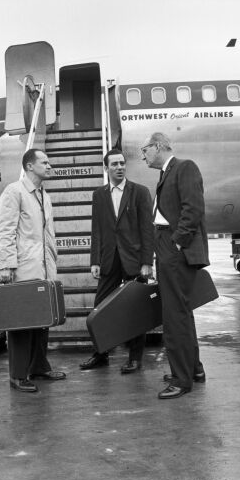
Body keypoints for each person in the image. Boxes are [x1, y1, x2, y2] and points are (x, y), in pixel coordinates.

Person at [142, 132, 209, 399]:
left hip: (175, 249)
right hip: (167, 247)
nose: (143, 155)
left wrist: (177, 243)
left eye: (144, 149)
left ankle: (181, 380)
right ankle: (193, 370)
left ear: (158, 146)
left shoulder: (184, 167)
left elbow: (193, 208)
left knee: (173, 316)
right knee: (182, 312)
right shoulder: (166, 173)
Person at [0, 148, 66, 392]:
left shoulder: (43, 194)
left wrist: (53, 259)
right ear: (30, 166)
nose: (50, 165)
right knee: (22, 322)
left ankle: (38, 367)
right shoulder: (14, 192)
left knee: (41, 321)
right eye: (44, 162)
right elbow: (4, 230)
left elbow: (47, 234)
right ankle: (18, 374)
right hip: (23, 267)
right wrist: (5, 265)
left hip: (43, 267)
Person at [80, 148, 154, 373]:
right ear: (107, 168)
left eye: (122, 163)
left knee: (136, 309)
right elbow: (97, 229)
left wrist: (146, 262)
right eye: (114, 164)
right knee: (100, 308)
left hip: (134, 261)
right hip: (109, 259)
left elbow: (147, 230)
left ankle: (135, 358)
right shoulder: (99, 195)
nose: (120, 167)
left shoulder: (139, 192)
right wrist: (95, 260)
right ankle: (101, 354)